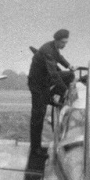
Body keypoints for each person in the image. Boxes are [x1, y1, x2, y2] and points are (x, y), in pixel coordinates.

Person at [28, 29, 74, 157]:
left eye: (66, 42)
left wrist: (68, 65)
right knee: (38, 117)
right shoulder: (47, 50)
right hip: (38, 85)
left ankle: (49, 97)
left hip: (45, 81)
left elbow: (59, 57)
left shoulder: (53, 47)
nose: (65, 45)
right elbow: (54, 75)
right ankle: (35, 149)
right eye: (63, 42)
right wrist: (65, 91)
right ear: (57, 40)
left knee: (70, 75)